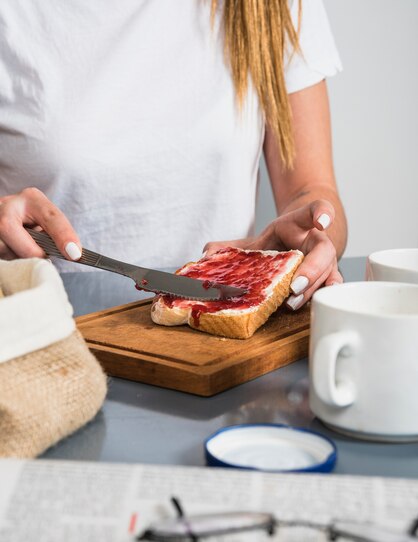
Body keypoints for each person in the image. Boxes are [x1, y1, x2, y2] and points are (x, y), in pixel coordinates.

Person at [0, 0, 347, 310]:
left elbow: (311, 189)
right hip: (38, 334)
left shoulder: (271, 6)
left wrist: (311, 242)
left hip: (221, 352)